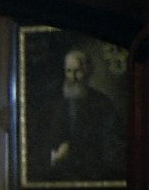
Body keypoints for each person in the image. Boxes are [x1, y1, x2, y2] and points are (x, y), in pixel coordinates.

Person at [42, 48, 126, 182]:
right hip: (61, 173)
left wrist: (74, 148)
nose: (73, 77)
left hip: (93, 171)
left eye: (78, 71)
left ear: (87, 72)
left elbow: (113, 141)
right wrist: (56, 153)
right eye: (68, 71)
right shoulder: (54, 102)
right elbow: (46, 138)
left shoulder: (102, 102)